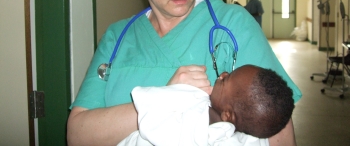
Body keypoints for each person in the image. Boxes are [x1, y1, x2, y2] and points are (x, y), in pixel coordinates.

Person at [67, 0, 301, 146]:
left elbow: (277, 128)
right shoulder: (117, 38)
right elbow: (78, 135)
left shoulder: (233, 24)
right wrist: (164, 100)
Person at [118, 65, 294, 146]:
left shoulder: (191, 110)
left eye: (227, 80)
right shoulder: (256, 136)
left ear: (227, 115)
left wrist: (176, 89)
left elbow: (150, 108)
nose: (222, 74)